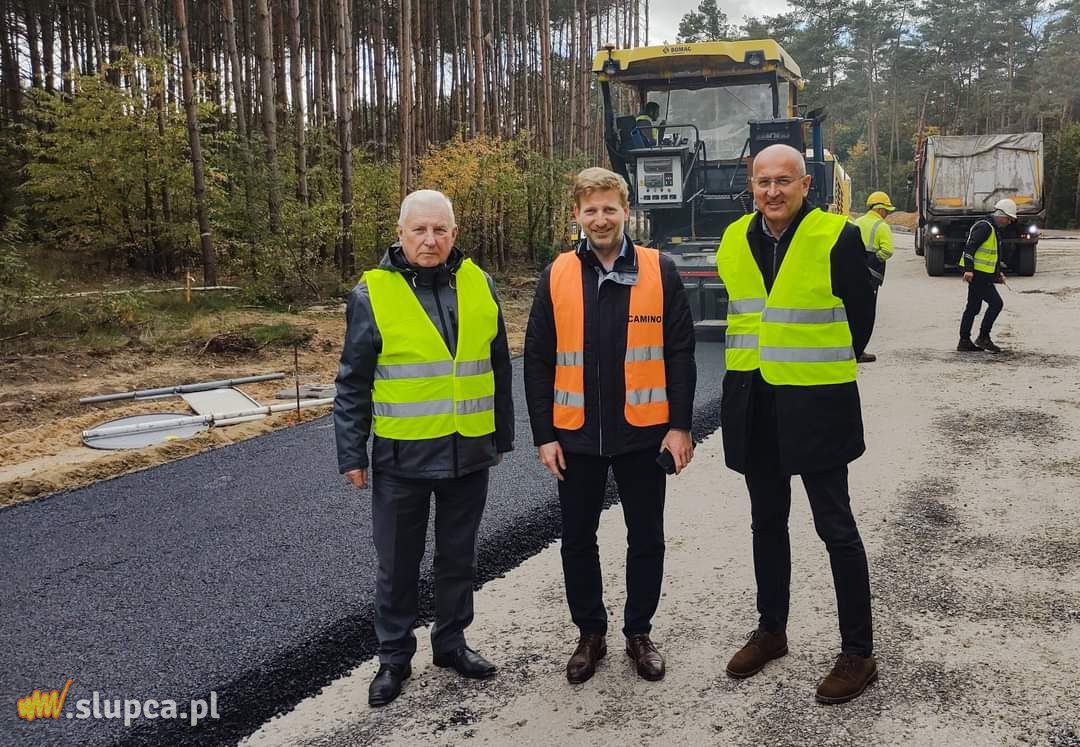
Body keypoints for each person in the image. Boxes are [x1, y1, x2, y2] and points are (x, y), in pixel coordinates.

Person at [334, 189, 515, 707]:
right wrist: (351, 452)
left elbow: (498, 366)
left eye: (440, 230)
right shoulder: (372, 294)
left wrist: (500, 436)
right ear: (401, 234)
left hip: (469, 455)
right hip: (401, 460)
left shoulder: (480, 284)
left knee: (458, 558)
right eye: (420, 230)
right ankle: (393, 659)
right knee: (398, 564)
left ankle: (451, 643)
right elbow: (352, 382)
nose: (430, 240)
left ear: (455, 233)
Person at [714, 144, 878, 704]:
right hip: (754, 401)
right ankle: (772, 631)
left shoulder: (837, 235)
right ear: (751, 185)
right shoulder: (734, 238)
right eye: (763, 181)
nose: (773, 191)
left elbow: (861, 319)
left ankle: (858, 652)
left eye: (784, 180)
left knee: (836, 529)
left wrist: (823, 365)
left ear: (807, 184)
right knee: (767, 524)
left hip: (818, 405)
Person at [524, 167, 696, 685]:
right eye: (590, 210)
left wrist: (680, 426)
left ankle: (638, 633)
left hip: (643, 433)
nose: (600, 219)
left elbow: (681, 353)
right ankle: (590, 634)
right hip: (574, 436)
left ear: (627, 211)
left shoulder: (658, 269)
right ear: (576, 215)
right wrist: (544, 435)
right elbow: (537, 360)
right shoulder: (556, 274)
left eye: (610, 209)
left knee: (646, 536)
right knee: (577, 539)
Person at [957, 198, 1016, 353]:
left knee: (973, 307)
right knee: (996, 303)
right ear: (1002, 215)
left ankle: (964, 341)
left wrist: (997, 274)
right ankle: (983, 337)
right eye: (1009, 219)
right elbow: (970, 248)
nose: (1009, 222)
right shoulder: (985, 227)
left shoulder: (991, 227)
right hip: (977, 275)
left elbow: (990, 256)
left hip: (981, 274)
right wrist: (968, 269)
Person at [852, 191, 897, 363]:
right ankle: (859, 350)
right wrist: (873, 261)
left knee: (853, 311)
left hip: (854, 271)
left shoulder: (857, 222)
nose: (887, 214)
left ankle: (850, 347)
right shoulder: (882, 226)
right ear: (879, 209)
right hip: (871, 276)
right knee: (866, 314)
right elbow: (887, 251)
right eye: (886, 210)